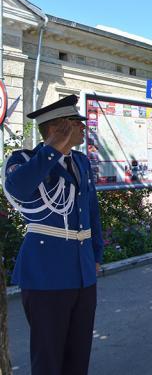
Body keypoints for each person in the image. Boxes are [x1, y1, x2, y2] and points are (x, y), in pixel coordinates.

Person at [2, 95, 103, 375]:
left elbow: (92, 214)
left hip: (82, 271)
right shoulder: (25, 160)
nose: (83, 128)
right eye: (76, 123)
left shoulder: (81, 162)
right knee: (48, 355)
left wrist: (96, 255)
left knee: (78, 351)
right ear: (59, 128)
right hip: (46, 272)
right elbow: (18, 189)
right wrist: (51, 149)